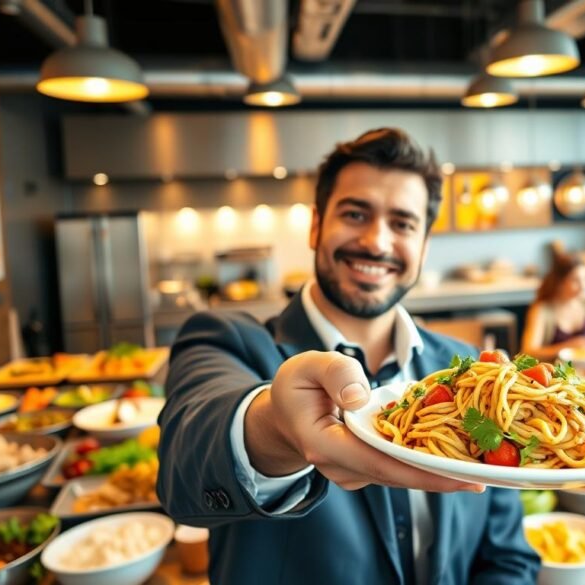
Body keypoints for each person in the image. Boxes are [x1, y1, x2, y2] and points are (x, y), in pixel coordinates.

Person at [157, 128, 540, 585]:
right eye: (356, 214)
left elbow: (508, 558)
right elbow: (184, 471)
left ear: (423, 246)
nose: (377, 242)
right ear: (316, 225)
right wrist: (276, 427)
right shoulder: (227, 340)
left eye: (403, 223)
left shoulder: (476, 375)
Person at [521, 252, 585, 361]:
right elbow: (528, 352)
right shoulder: (542, 309)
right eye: (575, 280)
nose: (583, 286)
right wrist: (567, 347)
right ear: (559, 282)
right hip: (554, 373)